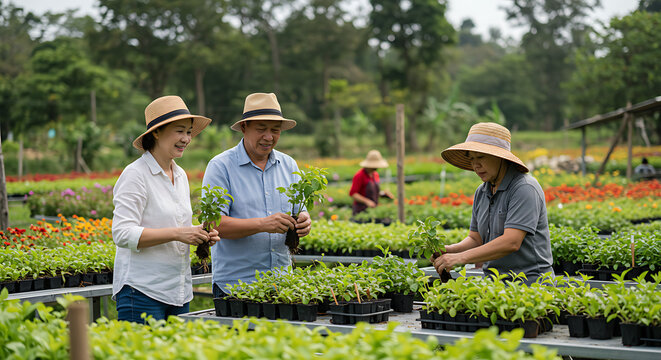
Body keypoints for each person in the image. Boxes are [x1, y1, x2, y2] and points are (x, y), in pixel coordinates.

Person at [112, 95, 220, 323]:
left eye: (189, 132)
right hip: (141, 291)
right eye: (179, 131)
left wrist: (199, 233)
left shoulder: (180, 175)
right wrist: (179, 233)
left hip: (178, 291)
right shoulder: (136, 175)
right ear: (156, 133)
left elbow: (176, 226)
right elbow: (122, 233)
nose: (186, 139)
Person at [202, 92, 312, 298]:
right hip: (235, 288)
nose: (269, 137)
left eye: (275, 130)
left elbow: (301, 209)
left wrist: (305, 219)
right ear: (244, 128)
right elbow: (214, 224)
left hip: (282, 286)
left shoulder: (289, 165)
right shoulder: (221, 166)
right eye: (261, 129)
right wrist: (262, 224)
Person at [433, 122, 553, 284]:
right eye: (472, 158)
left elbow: (511, 242)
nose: (476, 165)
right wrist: (449, 250)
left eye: (481, 157)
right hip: (494, 284)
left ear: (499, 157)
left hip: (531, 284)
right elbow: (476, 239)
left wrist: (459, 258)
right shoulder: (482, 192)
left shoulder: (524, 188)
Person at [349, 150, 393, 216]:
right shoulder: (359, 175)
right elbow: (353, 194)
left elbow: (373, 192)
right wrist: (367, 201)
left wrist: (383, 194)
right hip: (361, 211)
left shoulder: (375, 175)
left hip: (373, 210)